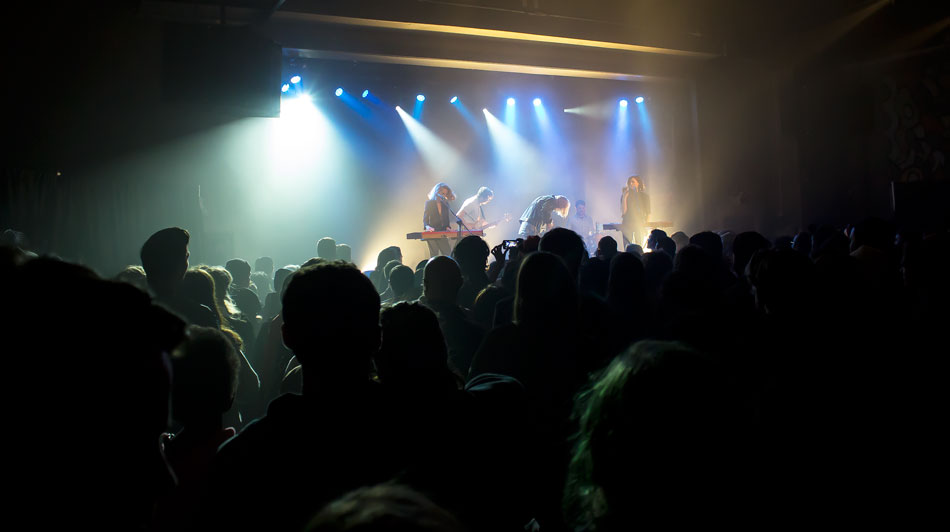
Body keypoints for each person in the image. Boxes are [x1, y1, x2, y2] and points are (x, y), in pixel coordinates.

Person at [423, 182, 457, 257]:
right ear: (436, 192)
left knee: (447, 253)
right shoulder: (429, 203)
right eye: (442, 193)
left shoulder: (445, 204)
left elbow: (446, 219)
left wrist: (448, 227)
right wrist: (427, 227)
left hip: (442, 232)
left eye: (445, 194)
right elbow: (425, 219)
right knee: (434, 254)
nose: (443, 195)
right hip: (432, 231)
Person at [621, 175, 650, 247]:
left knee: (639, 244)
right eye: (629, 182)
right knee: (627, 245)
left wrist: (646, 225)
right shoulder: (625, 195)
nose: (631, 184)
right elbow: (624, 212)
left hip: (639, 222)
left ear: (638, 183)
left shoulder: (644, 196)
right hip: (627, 223)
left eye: (633, 182)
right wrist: (624, 198)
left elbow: (648, 212)